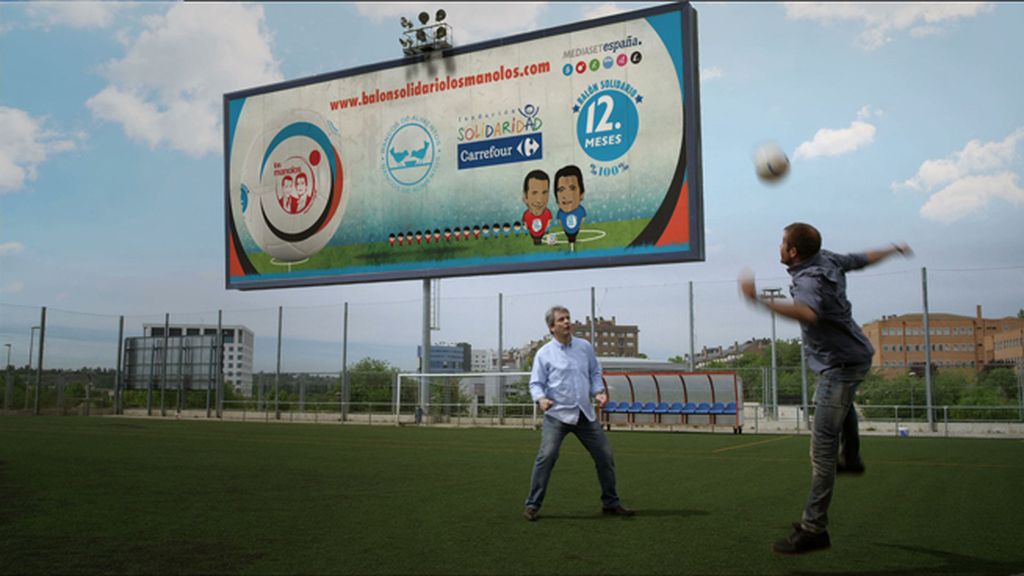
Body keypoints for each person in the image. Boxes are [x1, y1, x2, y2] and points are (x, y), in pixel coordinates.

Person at [738, 222, 912, 555]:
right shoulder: (827, 259)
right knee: (838, 405)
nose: (779, 247)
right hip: (854, 355)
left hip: (839, 366)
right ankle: (852, 457)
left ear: (793, 252)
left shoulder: (808, 280)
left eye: (782, 243)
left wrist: (758, 301)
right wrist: (893, 249)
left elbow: (808, 313)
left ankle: (814, 528)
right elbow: (863, 258)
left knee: (821, 453)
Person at [523, 305, 634, 522]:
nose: (567, 322)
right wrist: (541, 399)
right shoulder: (544, 354)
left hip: (584, 414)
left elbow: (595, 372)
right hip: (557, 416)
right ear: (551, 327)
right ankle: (532, 505)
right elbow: (536, 383)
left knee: (605, 456)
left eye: (568, 318)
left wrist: (598, 391)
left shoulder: (584, 347)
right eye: (561, 320)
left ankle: (610, 503)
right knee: (547, 456)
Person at [554, 165, 586, 252]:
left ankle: (573, 246)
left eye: (572, 188)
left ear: (581, 194)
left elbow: (582, 219)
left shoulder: (580, 210)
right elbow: (561, 222)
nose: (566, 195)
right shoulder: (560, 213)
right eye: (561, 190)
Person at [522, 170, 552, 246]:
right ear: (525, 197)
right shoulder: (526, 215)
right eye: (534, 193)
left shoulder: (547, 213)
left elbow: (548, 222)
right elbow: (525, 224)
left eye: (544, 193)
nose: (539, 200)